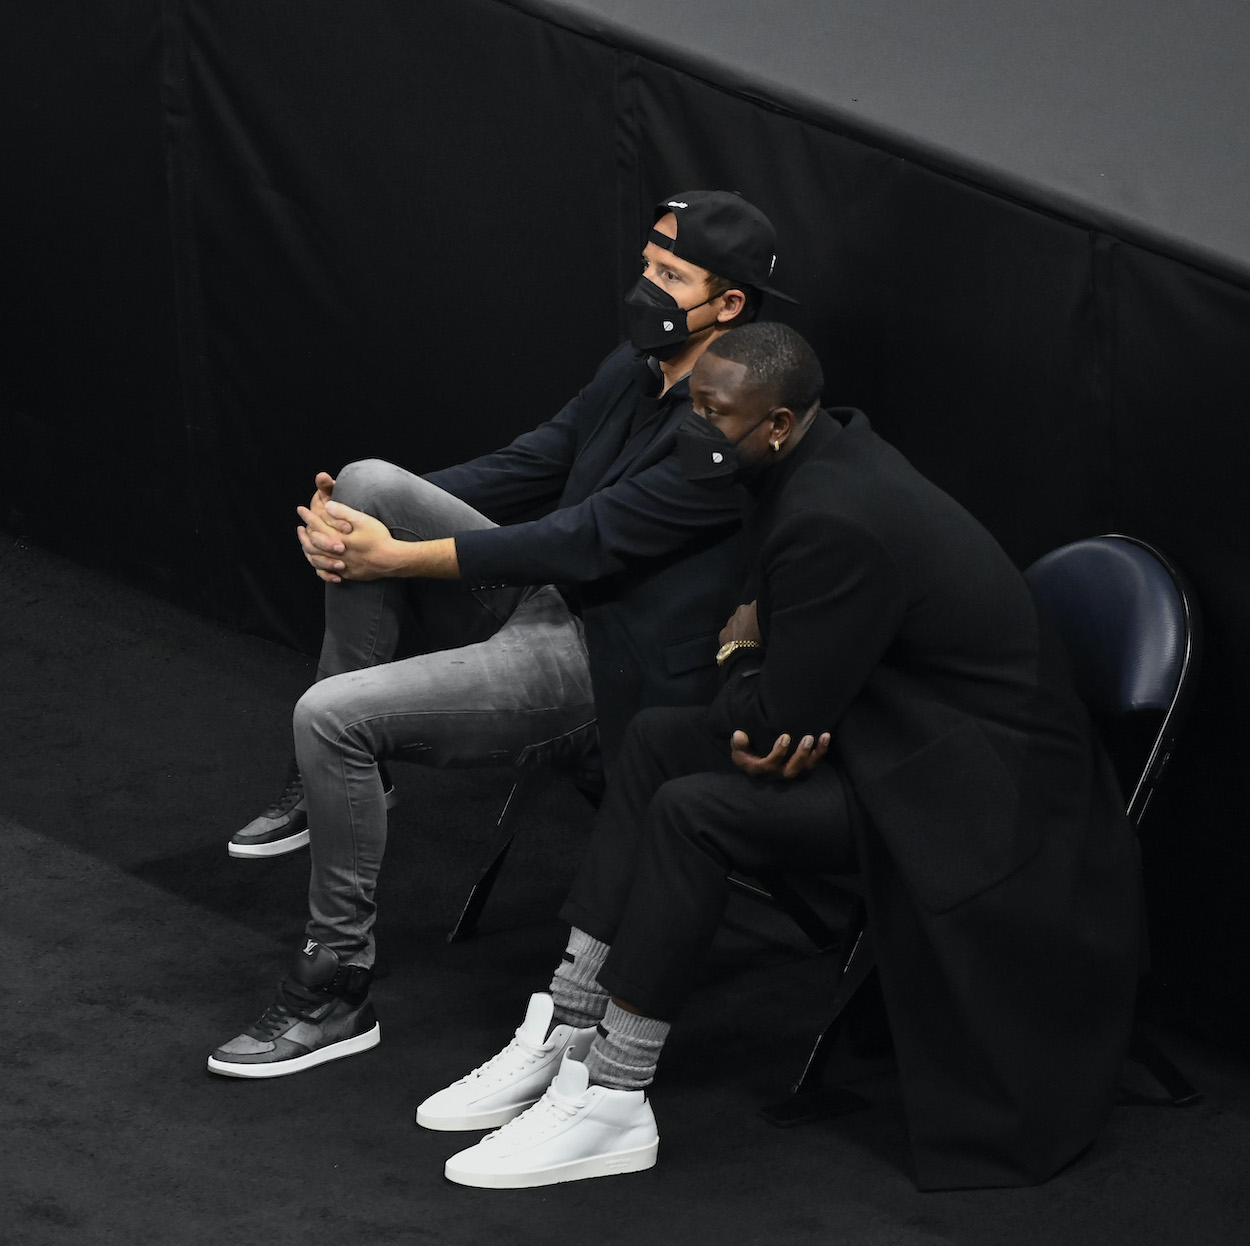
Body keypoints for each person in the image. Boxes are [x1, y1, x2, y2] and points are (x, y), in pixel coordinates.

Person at [417, 322, 1141, 1192]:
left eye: (716, 413)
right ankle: (572, 1024)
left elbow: (766, 717)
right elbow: (775, 704)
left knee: (695, 811)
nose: (695, 425)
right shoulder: (805, 469)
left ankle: (615, 1094)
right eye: (695, 402)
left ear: (780, 424)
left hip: (969, 793)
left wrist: (740, 652)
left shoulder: (834, 516)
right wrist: (764, 668)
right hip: (891, 734)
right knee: (652, 741)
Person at [207, 191, 798, 1079]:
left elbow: (585, 537)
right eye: (648, 263)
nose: (646, 286)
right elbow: (536, 462)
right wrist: (354, 531)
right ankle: (326, 782)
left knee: (330, 714)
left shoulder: (727, 427)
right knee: (369, 482)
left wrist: (399, 560)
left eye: (671, 276)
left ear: (731, 306)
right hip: (549, 595)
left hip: (604, 657)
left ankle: (334, 988)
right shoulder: (639, 363)